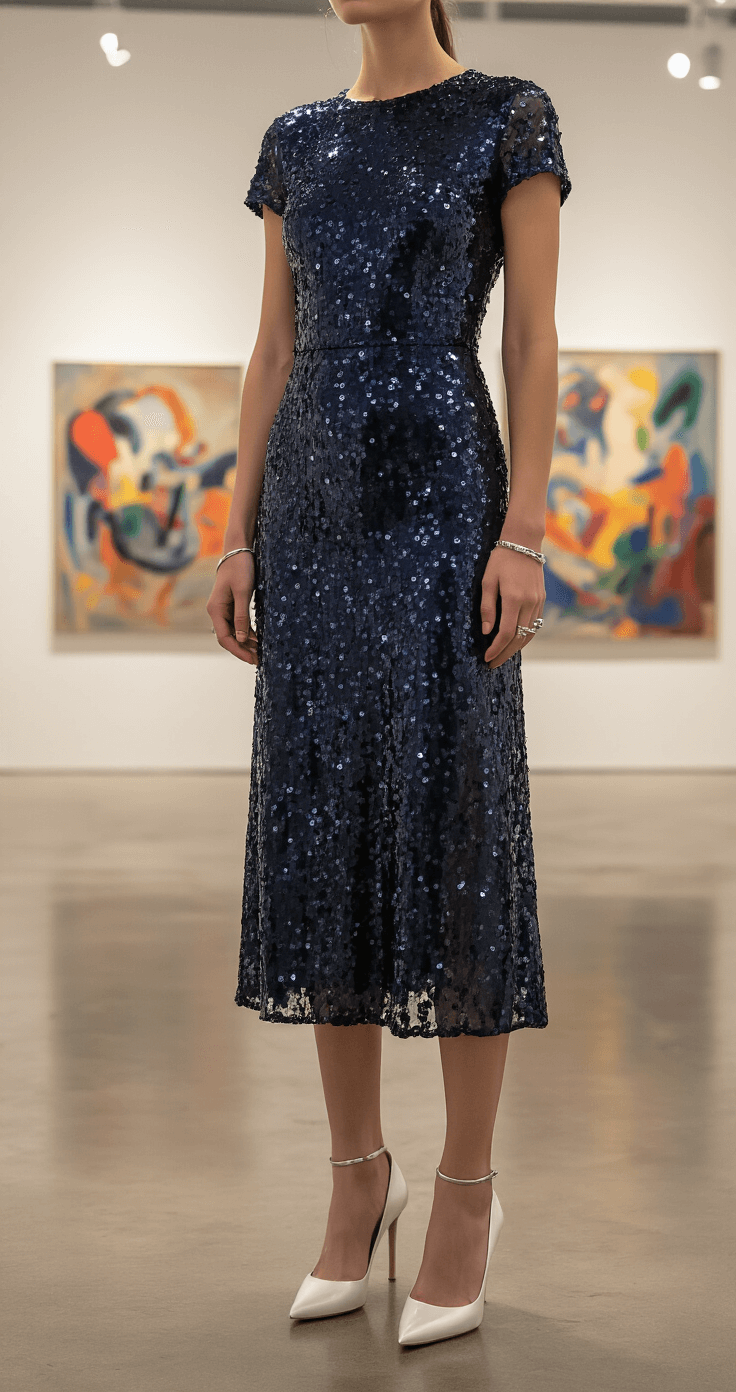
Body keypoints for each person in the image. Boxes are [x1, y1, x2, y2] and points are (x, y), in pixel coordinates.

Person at [206, 0, 571, 1348]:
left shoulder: (507, 113)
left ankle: (467, 1190)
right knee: (324, 834)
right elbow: (271, 350)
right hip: (309, 511)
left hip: (444, 503)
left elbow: (530, 342)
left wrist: (522, 532)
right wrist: (235, 532)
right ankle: (359, 1177)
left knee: (458, 832)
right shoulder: (294, 140)